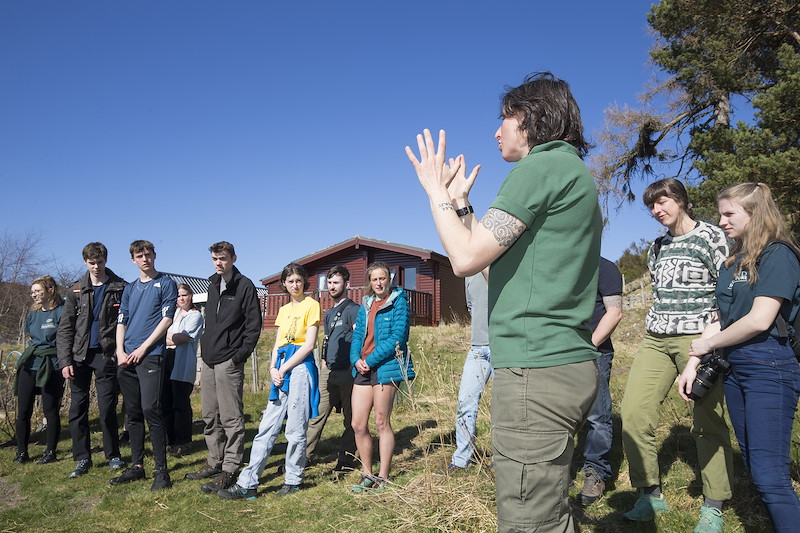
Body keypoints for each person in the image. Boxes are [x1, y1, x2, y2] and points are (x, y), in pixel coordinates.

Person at [407, 72, 601, 532]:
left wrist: (435, 194)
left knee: (529, 521)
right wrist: (460, 206)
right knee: (549, 512)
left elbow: (465, 259)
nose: (497, 131)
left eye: (505, 118)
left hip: (536, 371)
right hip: (561, 367)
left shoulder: (537, 168)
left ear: (532, 118)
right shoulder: (571, 171)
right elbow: (497, 263)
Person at [677, 182, 800, 532]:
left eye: (729, 213)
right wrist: (692, 363)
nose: (721, 220)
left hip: (769, 365)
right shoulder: (733, 261)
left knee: (770, 475)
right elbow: (719, 318)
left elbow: (760, 319)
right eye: (720, 213)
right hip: (735, 369)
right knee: (753, 462)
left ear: (755, 213)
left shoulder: (778, 255)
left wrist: (707, 346)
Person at [620, 178, 733, 531]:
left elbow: (725, 291)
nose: (657, 210)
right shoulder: (657, 247)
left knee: (707, 419)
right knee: (633, 413)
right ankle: (649, 493)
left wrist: (710, 342)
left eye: (663, 202)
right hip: (656, 339)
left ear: (681, 200)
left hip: (699, 339)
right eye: (652, 206)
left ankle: (714, 504)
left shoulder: (713, 237)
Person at [218, 262, 320, 499]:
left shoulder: (312, 305)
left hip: (300, 368)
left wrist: (284, 367)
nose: (295, 285)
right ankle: (249, 482)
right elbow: (278, 343)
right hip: (281, 370)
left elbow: (309, 344)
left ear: (304, 281)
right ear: (284, 284)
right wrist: (273, 368)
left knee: (295, 429)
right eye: (290, 281)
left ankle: (294, 479)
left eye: (298, 280)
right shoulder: (283, 311)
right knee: (266, 428)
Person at [185, 241, 262, 494]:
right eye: (215, 259)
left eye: (223, 258)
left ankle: (230, 467)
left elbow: (253, 327)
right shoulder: (213, 284)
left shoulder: (245, 286)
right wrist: (205, 351)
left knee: (231, 417)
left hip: (229, 359)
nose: (219, 263)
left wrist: (238, 356)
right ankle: (214, 461)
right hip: (209, 358)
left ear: (233, 258)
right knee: (210, 415)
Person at [110, 240, 177, 490]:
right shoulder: (129, 289)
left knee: (152, 409)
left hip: (150, 355)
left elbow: (167, 319)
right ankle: (137, 466)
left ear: (154, 255)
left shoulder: (166, 283)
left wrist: (143, 348)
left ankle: (162, 472)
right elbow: (122, 321)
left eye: (148, 254)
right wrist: (120, 351)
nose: (145, 259)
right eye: (140, 255)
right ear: (133, 260)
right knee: (133, 413)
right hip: (126, 357)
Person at [57, 242, 127, 478]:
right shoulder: (76, 290)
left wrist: (120, 350)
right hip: (79, 356)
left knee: (107, 408)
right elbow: (65, 328)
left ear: (106, 261)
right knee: (77, 408)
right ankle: (82, 458)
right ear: (85, 262)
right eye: (91, 263)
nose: (96, 267)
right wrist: (65, 360)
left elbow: (126, 323)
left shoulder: (120, 287)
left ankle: (113, 454)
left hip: (106, 354)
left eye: (99, 262)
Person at [349, 261, 414, 493]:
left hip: (385, 367)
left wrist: (370, 360)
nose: (378, 283)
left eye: (382, 278)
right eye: (374, 279)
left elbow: (398, 337)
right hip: (363, 367)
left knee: (381, 421)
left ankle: (383, 476)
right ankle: (367, 473)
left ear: (390, 279)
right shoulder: (365, 304)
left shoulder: (399, 302)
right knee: (357, 424)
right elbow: (358, 335)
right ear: (369, 282)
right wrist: (355, 358)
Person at [305, 265, 359, 474]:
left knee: (351, 418)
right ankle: (303, 457)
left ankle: (346, 460)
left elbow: (359, 340)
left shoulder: (354, 310)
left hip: (348, 370)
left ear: (346, 285)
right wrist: (324, 362)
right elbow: (327, 340)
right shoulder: (328, 314)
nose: (331, 286)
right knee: (316, 414)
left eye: (336, 282)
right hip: (328, 370)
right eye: (329, 282)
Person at [578, 257, 623, 504]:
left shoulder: (604, 268)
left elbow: (614, 313)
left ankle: (596, 472)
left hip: (595, 353)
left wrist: (588, 347)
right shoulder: (560, 266)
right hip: (560, 352)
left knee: (597, 416)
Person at [14, 275, 65, 465]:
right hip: (30, 364)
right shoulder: (32, 314)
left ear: (50, 290)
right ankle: (22, 452)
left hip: (52, 366)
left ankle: (50, 451)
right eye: (32, 292)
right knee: (23, 411)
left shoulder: (61, 312)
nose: (34, 295)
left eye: (38, 291)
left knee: (50, 411)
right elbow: (31, 338)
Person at [449, 273, 492, 471]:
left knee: (505, 408)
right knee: (466, 403)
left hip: (507, 346)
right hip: (477, 348)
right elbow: (471, 306)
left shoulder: (508, 262)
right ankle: (461, 460)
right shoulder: (471, 272)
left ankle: (504, 459)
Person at [163, 283, 204, 456]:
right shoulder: (171, 315)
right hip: (166, 361)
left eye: (184, 295)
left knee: (180, 404)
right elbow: (174, 337)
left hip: (182, 363)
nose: (181, 299)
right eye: (178, 296)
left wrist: (163, 337)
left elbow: (182, 338)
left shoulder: (195, 316)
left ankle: (184, 441)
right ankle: (169, 441)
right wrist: (171, 338)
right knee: (166, 403)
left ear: (191, 296)